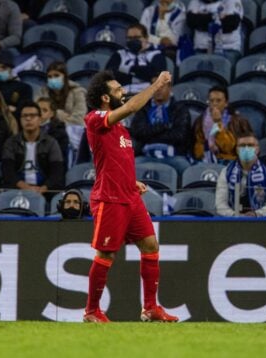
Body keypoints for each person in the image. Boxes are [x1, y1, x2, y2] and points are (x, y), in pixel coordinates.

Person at [82, 70, 179, 323]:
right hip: (109, 198)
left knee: (150, 245)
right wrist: (156, 84)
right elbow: (133, 106)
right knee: (106, 255)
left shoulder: (122, 131)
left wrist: (132, 181)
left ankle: (150, 308)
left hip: (130, 196)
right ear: (105, 98)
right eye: (117, 90)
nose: (122, 92)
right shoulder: (94, 118)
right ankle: (91, 311)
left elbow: (112, 162)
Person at [130, 74, 192, 175]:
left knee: (185, 167)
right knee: (130, 166)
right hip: (146, 156)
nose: (158, 89)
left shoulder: (180, 109)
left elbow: (180, 136)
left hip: (173, 157)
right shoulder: (143, 108)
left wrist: (151, 133)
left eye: (162, 86)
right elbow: (137, 132)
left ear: (170, 88)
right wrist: (164, 127)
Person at [1, 102, 64, 196]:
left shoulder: (51, 143)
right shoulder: (11, 143)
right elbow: (8, 172)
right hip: (17, 189)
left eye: (32, 115)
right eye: (24, 116)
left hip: (45, 190)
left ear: (39, 119)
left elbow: (57, 172)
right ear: (20, 120)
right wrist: (26, 188)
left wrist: (43, 188)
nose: (28, 119)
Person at [215, 132, 266, 217]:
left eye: (250, 145)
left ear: (257, 149)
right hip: (232, 221)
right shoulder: (226, 172)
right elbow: (220, 205)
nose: (246, 148)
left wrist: (256, 214)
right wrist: (234, 215)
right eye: (242, 145)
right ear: (237, 149)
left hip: (262, 221)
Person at [35, 61, 87, 165]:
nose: (52, 79)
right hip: (47, 129)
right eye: (49, 76)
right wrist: (60, 114)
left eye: (56, 75)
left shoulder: (78, 91)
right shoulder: (42, 92)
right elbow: (37, 115)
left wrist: (53, 114)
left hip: (72, 131)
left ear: (65, 76)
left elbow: (79, 119)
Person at [192, 85, 252, 163]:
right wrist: (205, 149)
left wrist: (218, 123)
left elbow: (228, 148)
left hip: (230, 161)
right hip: (205, 160)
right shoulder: (200, 121)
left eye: (218, 101)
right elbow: (197, 147)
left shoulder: (238, 121)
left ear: (226, 103)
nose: (214, 104)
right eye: (211, 100)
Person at [186, 0, 243, 65]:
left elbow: (230, 23)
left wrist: (202, 19)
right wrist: (215, 17)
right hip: (201, 49)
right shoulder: (196, 1)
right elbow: (191, 21)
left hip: (227, 49)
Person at [0, 49, 33, 115]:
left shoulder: (24, 88)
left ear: (11, 68)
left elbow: (26, 112)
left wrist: (15, 110)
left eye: (4, 67)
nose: (0, 70)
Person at [37, 97, 69, 163]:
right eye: (37, 109)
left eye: (44, 110)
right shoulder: (26, 127)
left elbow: (58, 158)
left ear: (51, 114)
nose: (40, 113)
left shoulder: (60, 133)